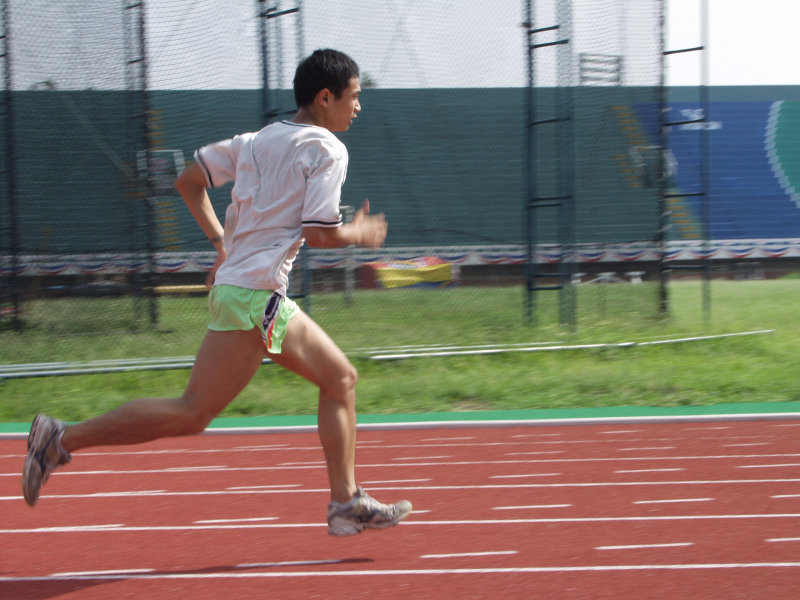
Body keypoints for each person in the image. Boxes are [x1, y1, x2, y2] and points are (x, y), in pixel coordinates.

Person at [21, 48, 412, 537]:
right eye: (354, 97)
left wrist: (221, 243)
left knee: (288, 391)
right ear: (325, 96)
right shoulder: (327, 150)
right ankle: (59, 438)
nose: (358, 107)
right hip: (255, 298)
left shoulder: (254, 141)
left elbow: (188, 182)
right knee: (313, 386)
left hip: (241, 293)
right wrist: (359, 233)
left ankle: (344, 501)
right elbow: (320, 234)